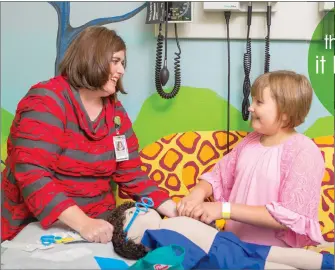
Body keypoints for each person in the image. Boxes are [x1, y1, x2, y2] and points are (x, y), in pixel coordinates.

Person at [1, 26, 177, 243]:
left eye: (123, 63)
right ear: (92, 58)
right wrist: (83, 223)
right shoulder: (47, 100)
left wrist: (176, 211)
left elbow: (132, 174)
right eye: (115, 61)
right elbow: (32, 173)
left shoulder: (116, 115)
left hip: (98, 222)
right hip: (39, 221)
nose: (121, 70)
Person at [176, 70, 326, 248]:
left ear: (286, 113)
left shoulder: (304, 151)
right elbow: (219, 176)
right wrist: (197, 193)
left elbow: (288, 216)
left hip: (272, 256)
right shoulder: (250, 142)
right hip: (233, 247)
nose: (250, 107)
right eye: (253, 100)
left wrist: (223, 209)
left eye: (259, 102)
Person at [107, 200, 334, 269]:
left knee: (280, 255)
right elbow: (179, 255)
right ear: (128, 236)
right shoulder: (156, 236)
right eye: (133, 212)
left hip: (230, 242)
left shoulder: (168, 221)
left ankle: (327, 261)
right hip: (223, 258)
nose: (142, 208)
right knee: (271, 264)